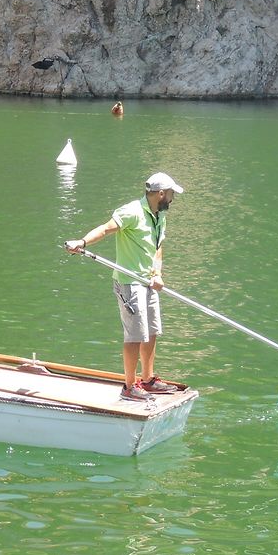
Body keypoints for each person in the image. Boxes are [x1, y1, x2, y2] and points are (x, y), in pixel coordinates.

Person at [65, 172, 184, 401]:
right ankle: (130, 386)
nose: (172, 198)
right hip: (129, 283)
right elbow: (106, 229)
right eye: (170, 194)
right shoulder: (131, 211)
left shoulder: (159, 216)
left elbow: (158, 247)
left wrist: (157, 273)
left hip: (148, 281)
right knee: (135, 335)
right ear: (160, 194)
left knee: (151, 332)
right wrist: (81, 242)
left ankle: (147, 380)